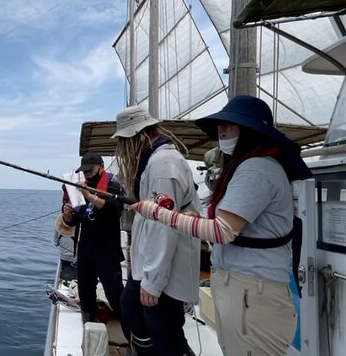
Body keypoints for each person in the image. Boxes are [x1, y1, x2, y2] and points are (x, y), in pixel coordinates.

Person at [130, 95, 312, 356]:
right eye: (220, 126)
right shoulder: (252, 167)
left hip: (251, 292)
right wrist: (195, 220)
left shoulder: (256, 169)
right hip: (245, 290)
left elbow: (222, 231)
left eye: (228, 125)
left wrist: (158, 213)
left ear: (250, 130)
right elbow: (230, 225)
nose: (220, 131)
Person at [112, 106, 200, 356]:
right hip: (150, 265)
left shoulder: (163, 165)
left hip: (163, 271)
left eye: (124, 140)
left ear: (137, 136)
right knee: (131, 311)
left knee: (165, 333)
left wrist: (153, 282)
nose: (123, 148)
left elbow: (165, 226)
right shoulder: (155, 161)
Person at [62, 152, 125, 324]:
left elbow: (114, 210)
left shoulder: (114, 186)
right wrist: (67, 214)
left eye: (90, 169)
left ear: (101, 166)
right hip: (85, 251)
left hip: (107, 252)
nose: (87, 173)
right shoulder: (78, 187)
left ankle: (130, 331)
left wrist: (89, 195)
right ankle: (88, 324)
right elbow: (73, 220)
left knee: (115, 293)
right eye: (84, 170)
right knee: (85, 293)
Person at [54, 192, 78, 281]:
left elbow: (55, 242)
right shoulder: (80, 229)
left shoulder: (58, 227)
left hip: (64, 259)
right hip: (78, 261)